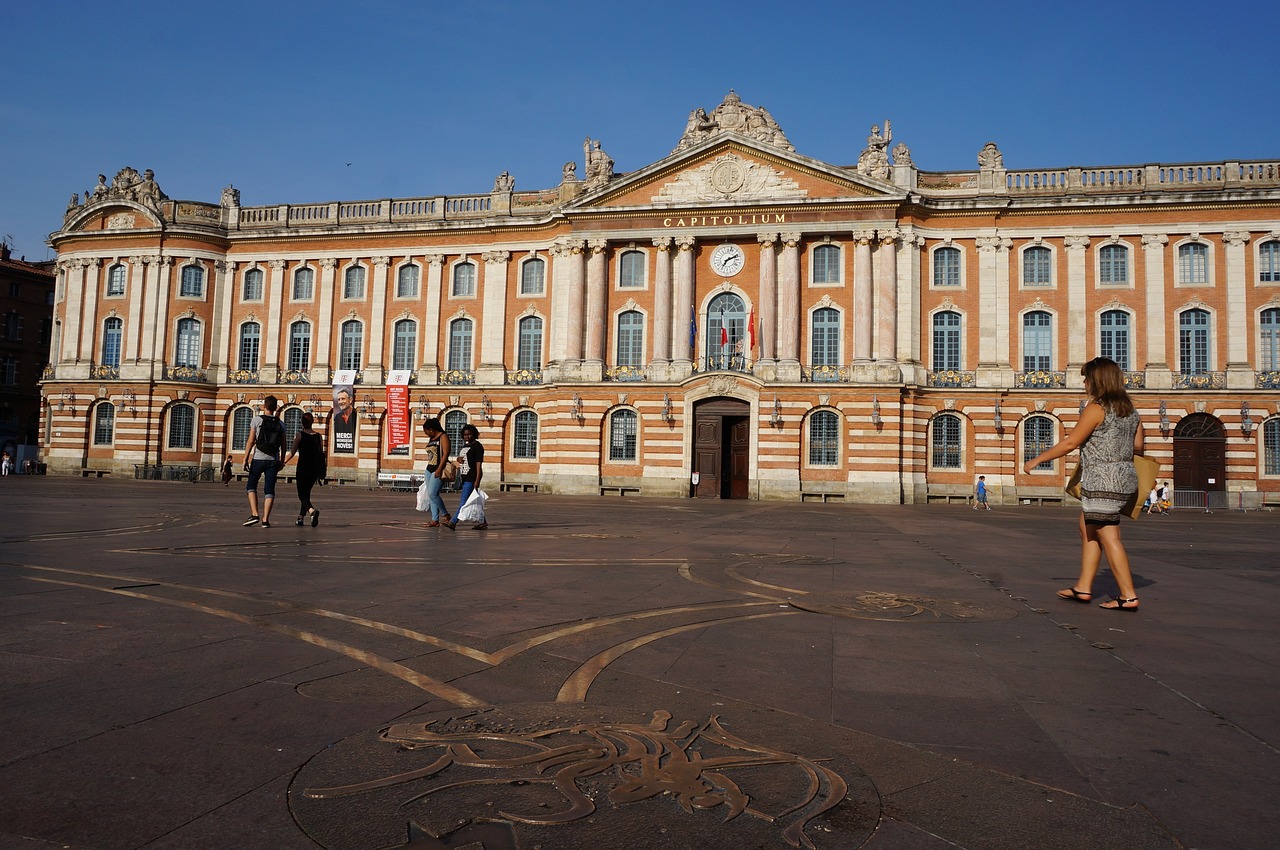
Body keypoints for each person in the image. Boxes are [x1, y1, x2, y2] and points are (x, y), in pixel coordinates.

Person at [1024, 357, 1144, 611]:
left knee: (1108, 535)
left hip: (1102, 479)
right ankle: (1083, 587)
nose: (1084, 382)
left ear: (1097, 380)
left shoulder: (1096, 408)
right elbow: (1139, 447)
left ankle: (1128, 595)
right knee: (1087, 527)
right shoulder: (1131, 411)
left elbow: (1070, 443)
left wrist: (1036, 460)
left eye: (1087, 378)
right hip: (1124, 478)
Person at [242, 395, 285, 528]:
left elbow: (251, 441)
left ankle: (255, 514)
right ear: (276, 407)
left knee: (251, 486)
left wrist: (245, 458)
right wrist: (282, 461)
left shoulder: (257, 420)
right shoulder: (281, 424)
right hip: (273, 460)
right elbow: (284, 445)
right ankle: (265, 520)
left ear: (264, 406)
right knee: (269, 490)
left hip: (258, 459)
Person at [283, 412, 325, 527]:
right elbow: (321, 454)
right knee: (306, 493)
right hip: (314, 470)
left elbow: (292, 452)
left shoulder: (299, 435)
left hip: (302, 468)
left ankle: (312, 511)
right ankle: (300, 518)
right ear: (312, 422)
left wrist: (283, 461)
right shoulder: (318, 436)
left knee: (302, 495)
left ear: (302, 422)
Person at [443, 423, 485, 531]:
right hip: (463, 476)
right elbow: (462, 458)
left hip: (472, 476)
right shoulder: (465, 446)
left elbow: (478, 465)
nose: (467, 437)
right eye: (465, 435)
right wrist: (458, 459)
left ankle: (453, 522)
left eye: (470, 434)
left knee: (464, 500)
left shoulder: (477, 446)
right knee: (473, 500)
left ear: (474, 434)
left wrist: (477, 480)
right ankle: (483, 522)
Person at [420, 418, 452, 528]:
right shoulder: (431, 439)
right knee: (431, 495)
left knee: (433, 493)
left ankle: (446, 515)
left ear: (431, 429)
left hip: (438, 468)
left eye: (426, 431)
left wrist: (439, 468)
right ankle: (435, 520)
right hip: (429, 469)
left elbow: (446, 453)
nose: (425, 434)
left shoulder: (443, 436)